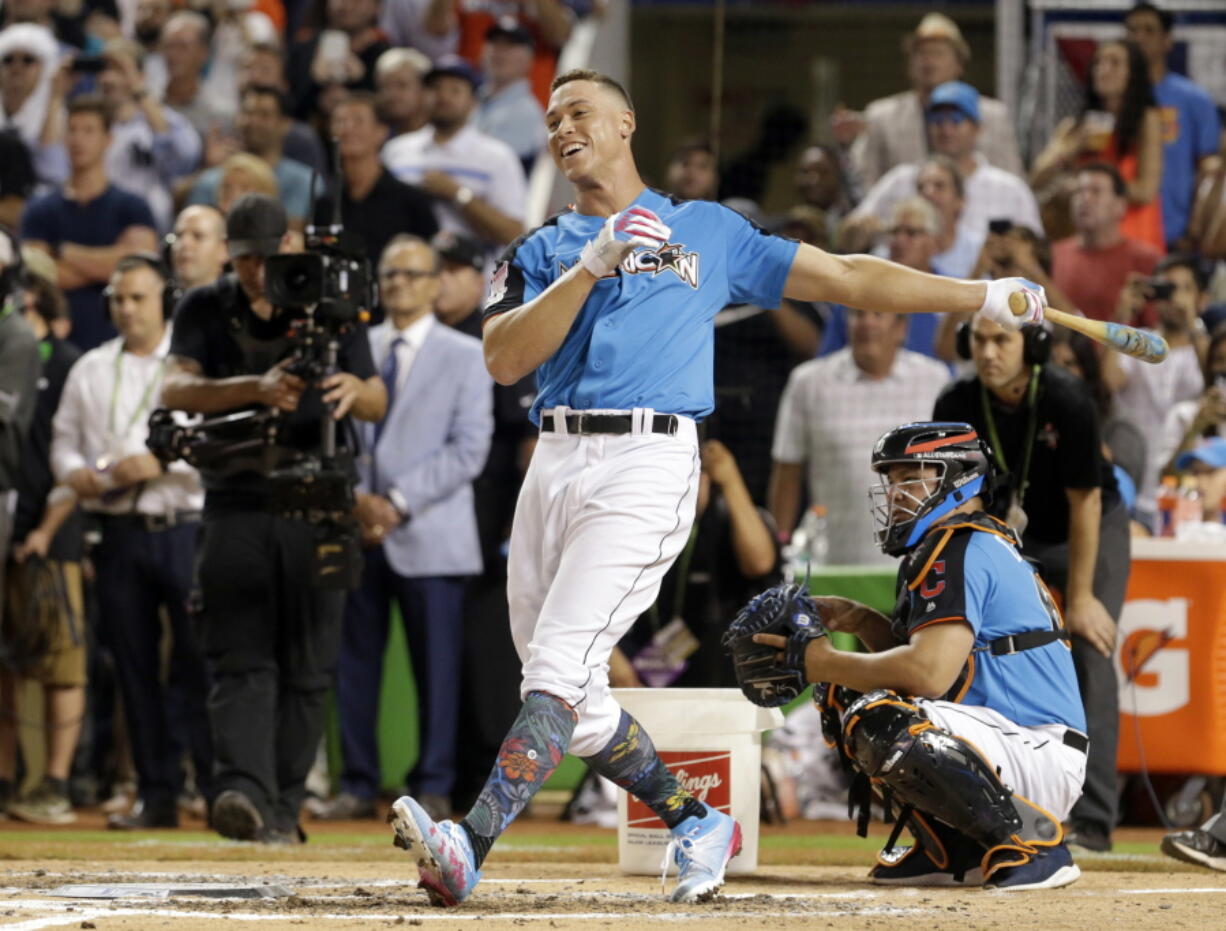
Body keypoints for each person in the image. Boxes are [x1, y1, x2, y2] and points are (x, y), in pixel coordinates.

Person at [384, 66, 1048, 908]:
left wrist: (981, 291)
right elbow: (504, 357)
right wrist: (592, 261)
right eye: (551, 119)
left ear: (626, 123)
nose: (561, 128)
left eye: (578, 112)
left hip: (648, 461)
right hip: (552, 462)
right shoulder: (541, 247)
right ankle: (698, 819)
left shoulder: (706, 229)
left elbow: (845, 277)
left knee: (556, 666)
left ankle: (467, 842)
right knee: (569, 692)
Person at [753, 422, 1087, 891]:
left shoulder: (959, 545)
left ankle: (1034, 843)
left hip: (1033, 750)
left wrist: (818, 662)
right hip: (1012, 744)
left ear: (958, 479)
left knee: (882, 718)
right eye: (891, 481)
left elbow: (928, 674)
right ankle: (958, 848)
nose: (895, 494)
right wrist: (858, 620)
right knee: (848, 694)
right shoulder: (968, 542)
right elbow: (930, 672)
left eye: (911, 478)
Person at [160, 194, 386, 843]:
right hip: (236, 497)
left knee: (309, 664)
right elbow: (175, 389)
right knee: (240, 656)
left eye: (266, 256)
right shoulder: (205, 304)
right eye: (244, 258)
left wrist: (352, 390)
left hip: (318, 500)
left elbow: (374, 396)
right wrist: (254, 389)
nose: (257, 271)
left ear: (290, 244)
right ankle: (242, 793)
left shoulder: (329, 296)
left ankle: (283, 808)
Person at [934, 315, 1130, 853]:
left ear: (1033, 345)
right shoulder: (955, 402)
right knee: (980, 642)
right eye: (979, 340)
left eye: (1003, 340)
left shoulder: (1067, 399)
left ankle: (1093, 820)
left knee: (1089, 647)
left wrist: (1084, 597)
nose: (989, 352)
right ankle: (993, 801)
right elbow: (954, 492)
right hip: (1010, 535)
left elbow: (1086, 500)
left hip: (1085, 528)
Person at [316, 236, 491, 823]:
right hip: (356, 528)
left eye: (412, 274)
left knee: (438, 673)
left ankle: (435, 785)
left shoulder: (467, 353)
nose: (398, 284)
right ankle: (356, 783)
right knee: (353, 666)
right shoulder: (352, 347)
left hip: (430, 532)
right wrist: (355, 501)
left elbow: (470, 449)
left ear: (437, 282)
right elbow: (334, 438)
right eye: (389, 274)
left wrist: (392, 501)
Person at [50, 254, 211, 829]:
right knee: (133, 668)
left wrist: (159, 463)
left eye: (137, 298)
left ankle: (216, 790)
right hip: (118, 533)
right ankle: (156, 793)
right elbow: (63, 443)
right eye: (117, 299)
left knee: (198, 663)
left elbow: (212, 444)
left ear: (164, 301)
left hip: (183, 527)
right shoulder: (91, 368)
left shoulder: (189, 365)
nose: (125, 309)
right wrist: (79, 476)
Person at [772, 304, 950, 565]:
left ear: (901, 328)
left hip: (919, 562)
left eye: (878, 313)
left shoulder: (935, 379)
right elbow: (787, 471)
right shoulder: (808, 382)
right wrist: (781, 545)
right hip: (833, 562)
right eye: (858, 314)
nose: (867, 323)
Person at [0, 270, 84, 826]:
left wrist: (48, 529)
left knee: (61, 662)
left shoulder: (66, 363)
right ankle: (7, 780)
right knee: (6, 665)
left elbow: (77, 455)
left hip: (50, 534)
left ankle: (55, 783)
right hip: (8, 526)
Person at [21, 95, 158, 351]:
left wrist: (63, 252)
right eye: (72, 130)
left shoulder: (132, 207)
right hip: (55, 346)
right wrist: (108, 264)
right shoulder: (39, 209)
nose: (78, 139)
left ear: (108, 139)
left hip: (118, 342)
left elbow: (140, 267)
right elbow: (38, 276)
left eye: (89, 130)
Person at [839, 12, 1023, 188]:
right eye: (921, 54)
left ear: (959, 65)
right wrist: (846, 146)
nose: (928, 61)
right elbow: (865, 181)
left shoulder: (992, 115)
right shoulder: (881, 116)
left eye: (937, 53)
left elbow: (1012, 176)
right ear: (909, 65)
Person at [850, 82, 1042, 243]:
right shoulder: (900, 180)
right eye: (937, 119)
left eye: (956, 120)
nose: (946, 129)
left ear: (977, 128)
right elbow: (853, 231)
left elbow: (1036, 250)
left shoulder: (1009, 189)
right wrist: (866, 229)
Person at [1103, 253, 1207, 527]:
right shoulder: (1138, 342)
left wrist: (1192, 321)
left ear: (1202, 298)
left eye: (1184, 288)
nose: (1175, 298)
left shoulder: (1207, 347)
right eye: (1167, 288)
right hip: (1134, 488)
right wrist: (1122, 317)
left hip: (1187, 491)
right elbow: (1110, 381)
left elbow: (1214, 385)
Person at [382, 57, 526, 254]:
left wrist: (458, 194)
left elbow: (514, 234)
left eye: (455, 90)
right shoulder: (397, 151)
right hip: (408, 272)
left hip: (471, 276)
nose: (443, 96)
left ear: (473, 102)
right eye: (435, 88)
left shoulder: (497, 157)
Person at [1030, 39, 1164, 252]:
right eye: (1098, 63)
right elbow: (1036, 178)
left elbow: (1146, 190)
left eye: (1115, 63)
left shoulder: (1147, 121)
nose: (1104, 70)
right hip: (1083, 241)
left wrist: (1089, 188)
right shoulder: (1074, 127)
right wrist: (1073, 148)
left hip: (1132, 239)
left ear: (1133, 73)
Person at [1124, 2, 1221, 249]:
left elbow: (1209, 167)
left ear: (1167, 40)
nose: (1139, 38)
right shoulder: (1113, 98)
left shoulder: (1194, 100)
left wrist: (1196, 226)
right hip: (1121, 231)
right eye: (1133, 30)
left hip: (1176, 233)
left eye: (1149, 30)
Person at [94, 39, 202, 235]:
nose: (108, 79)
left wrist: (139, 90)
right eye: (103, 70)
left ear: (140, 76)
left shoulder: (163, 118)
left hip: (147, 228)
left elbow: (184, 158)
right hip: (96, 225)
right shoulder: (89, 122)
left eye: (118, 70)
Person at [319, 93, 437, 270]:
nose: (347, 129)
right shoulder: (324, 202)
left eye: (358, 121)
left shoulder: (411, 201)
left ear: (381, 132)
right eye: (340, 121)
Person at [186, 85, 316, 228]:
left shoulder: (304, 181)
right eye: (247, 113)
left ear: (284, 124)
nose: (253, 121)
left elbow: (292, 233)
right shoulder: (211, 180)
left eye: (264, 115)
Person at [1051, 163, 1161, 324]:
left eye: (1096, 192)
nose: (1085, 199)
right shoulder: (1054, 255)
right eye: (1079, 191)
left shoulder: (1147, 260)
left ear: (1120, 205)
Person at [475, 19, 546, 174]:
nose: (500, 52)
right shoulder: (471, 100)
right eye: (495, 43)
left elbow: (496, 171)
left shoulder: (526, 113)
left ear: (528, 58)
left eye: (510, 45)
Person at [375, 47, 431, 139]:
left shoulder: (445, 133)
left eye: (402, 85)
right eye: (385, 86)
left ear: (424, 89)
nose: (391, 94)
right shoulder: (375, 139)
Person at [169, 204, 227, 292]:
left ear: (223, 249)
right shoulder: (157, 299)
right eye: (179, 235)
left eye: (198, 236)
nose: (184, 244)